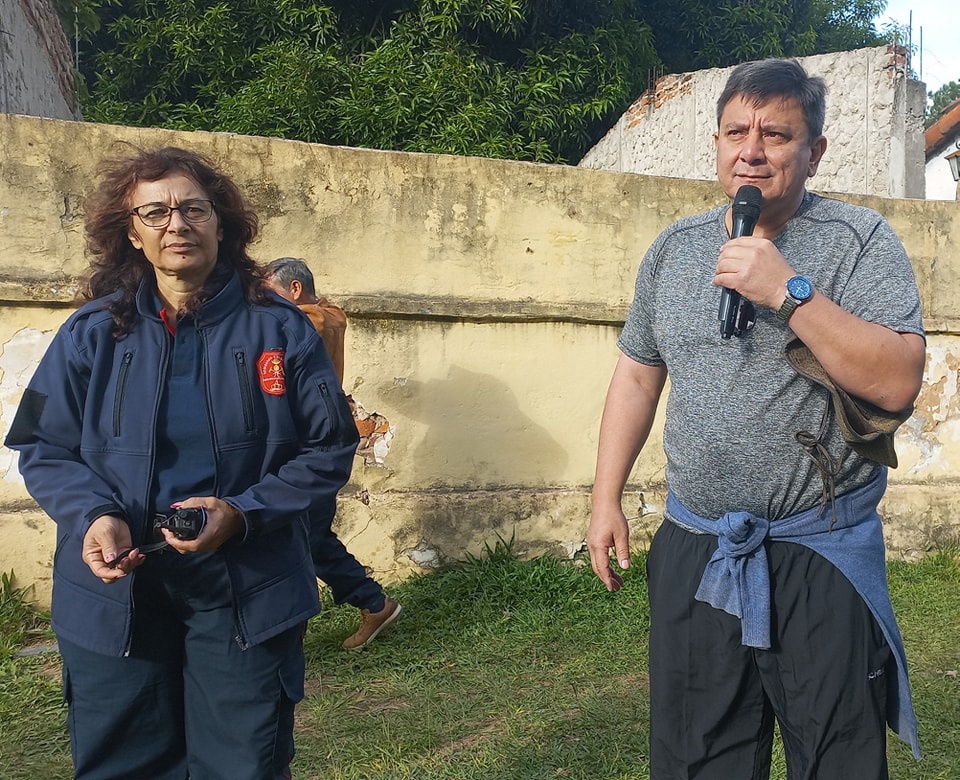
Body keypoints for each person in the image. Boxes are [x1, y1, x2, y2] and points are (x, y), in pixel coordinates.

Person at [586, 58, 925, 779]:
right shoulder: (675, 249)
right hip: (696, 545)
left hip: (818, 550)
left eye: (776, 134)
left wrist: (787, 291)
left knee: (836, 758)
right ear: (716, 143)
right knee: (696, 757)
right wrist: (604, 497)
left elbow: (897, 381)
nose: (752, 150)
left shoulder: (860, 241)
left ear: (815, 152)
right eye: (736, 131)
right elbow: (639, 374)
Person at [4, 146, 359, 779]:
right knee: (124, 765)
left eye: (194, 208)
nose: (177, 224)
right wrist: (95, 515)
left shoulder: (281, 330)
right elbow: (42, 445)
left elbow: (329, 447)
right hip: (116, 588)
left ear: (221, 222)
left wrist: (242, 512)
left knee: (242, 764)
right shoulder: (91, 332)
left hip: (247, 584)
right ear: (132, 233)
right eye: (156, 212)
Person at [264, 257, 402, 649]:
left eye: (270, 293)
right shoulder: (328, 313)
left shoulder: (311, 320)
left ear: (294, 290)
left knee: (305, 534)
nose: (263, 302)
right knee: (302, 531)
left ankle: (371, 603)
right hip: (312, 432)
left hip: (310, 435)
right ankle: (360, 606)